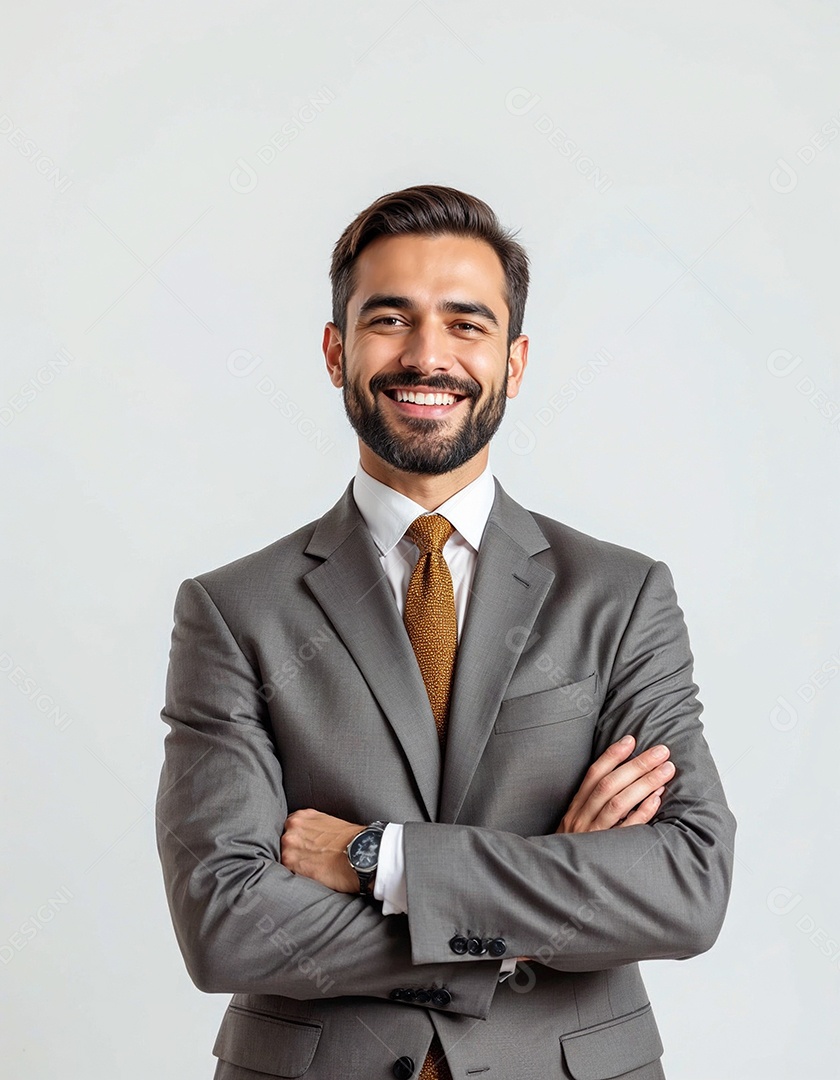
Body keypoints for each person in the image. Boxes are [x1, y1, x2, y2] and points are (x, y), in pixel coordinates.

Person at [156, 184, 735, 1080]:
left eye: (467, 325)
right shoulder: (234, 611)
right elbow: (226, 921)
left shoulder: (620, 597)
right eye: (390, 319)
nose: (428, 355)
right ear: (335, 349)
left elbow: (686, 886)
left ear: (516, 359)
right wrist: (522, 926)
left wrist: (377, 860)